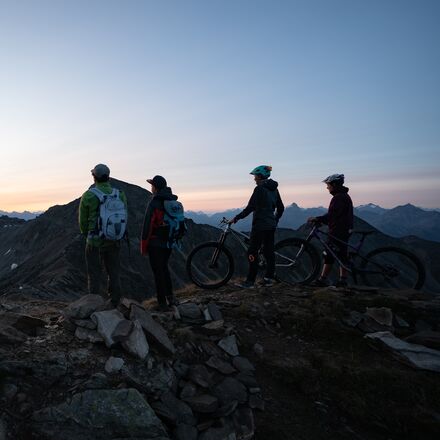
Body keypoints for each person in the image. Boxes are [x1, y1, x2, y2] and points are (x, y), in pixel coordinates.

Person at [79, 164, 127, 306]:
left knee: (94, 273)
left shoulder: (88, 195)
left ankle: (93, 304)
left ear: (94, 177)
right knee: (113, 272)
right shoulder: (119, 194)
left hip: (94, 241)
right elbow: (125, 216)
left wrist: (86, 235)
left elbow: (83, 222)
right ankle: (115, 302)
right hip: (114, 239)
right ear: (108, 176)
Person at [229, 165, 284, 288]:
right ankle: (269, 278)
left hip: (259, 225)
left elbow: (250, 207)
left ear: (260, 176)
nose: (254, 179)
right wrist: (275, 220)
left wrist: (236, 218)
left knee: (252, 252)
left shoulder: (259, 189)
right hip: (270, 225)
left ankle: (250, 281)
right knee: (268, 251)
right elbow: (280, 207)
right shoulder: (274, 189)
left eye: (255, 176)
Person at [141, 175, 179, 310]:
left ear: (155, 187)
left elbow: (147, 225)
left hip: (155, 243)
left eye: (152, 185)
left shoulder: (155, 202)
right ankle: (171, 297)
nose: (151, 188)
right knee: (164, 268)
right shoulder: (172, 200)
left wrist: (144, 245)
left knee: (158, 272)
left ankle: (162, 303)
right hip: (168, 242)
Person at [308, 173, 353, 287]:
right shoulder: (343, 196)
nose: (327, 187)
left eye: (328, 185)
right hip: (343, 230)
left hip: (338, 231)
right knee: (341, 254)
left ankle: (323, 279)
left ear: (334, 184)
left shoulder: (339, 198)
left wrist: (317, 219)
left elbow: (332, 215)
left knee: (330, 254)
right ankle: (342, 280)